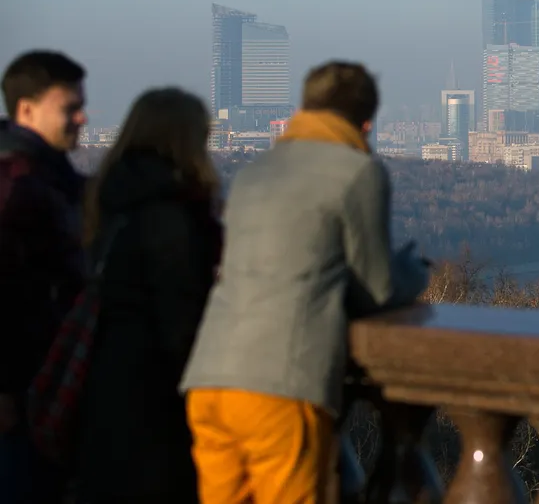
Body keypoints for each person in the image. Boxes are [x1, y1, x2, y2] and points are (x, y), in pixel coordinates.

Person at [181, 61, 429, 503]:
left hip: (210, 380)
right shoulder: (357, 172)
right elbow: (377, 288)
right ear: (367, 121)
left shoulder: (256, 171)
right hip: (280, 384)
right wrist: (417, 271)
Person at [74, 88, 223, 504]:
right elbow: (181, 322)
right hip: (155, 402)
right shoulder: (169, 215)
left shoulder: (109, 199)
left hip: (106, 388)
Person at [0, 50, 88, 504]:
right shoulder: (18, 183)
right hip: (23, 389)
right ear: (27, 108)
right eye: (69, 107)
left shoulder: (48, 178)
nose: (82, 116)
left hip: (41, 379)